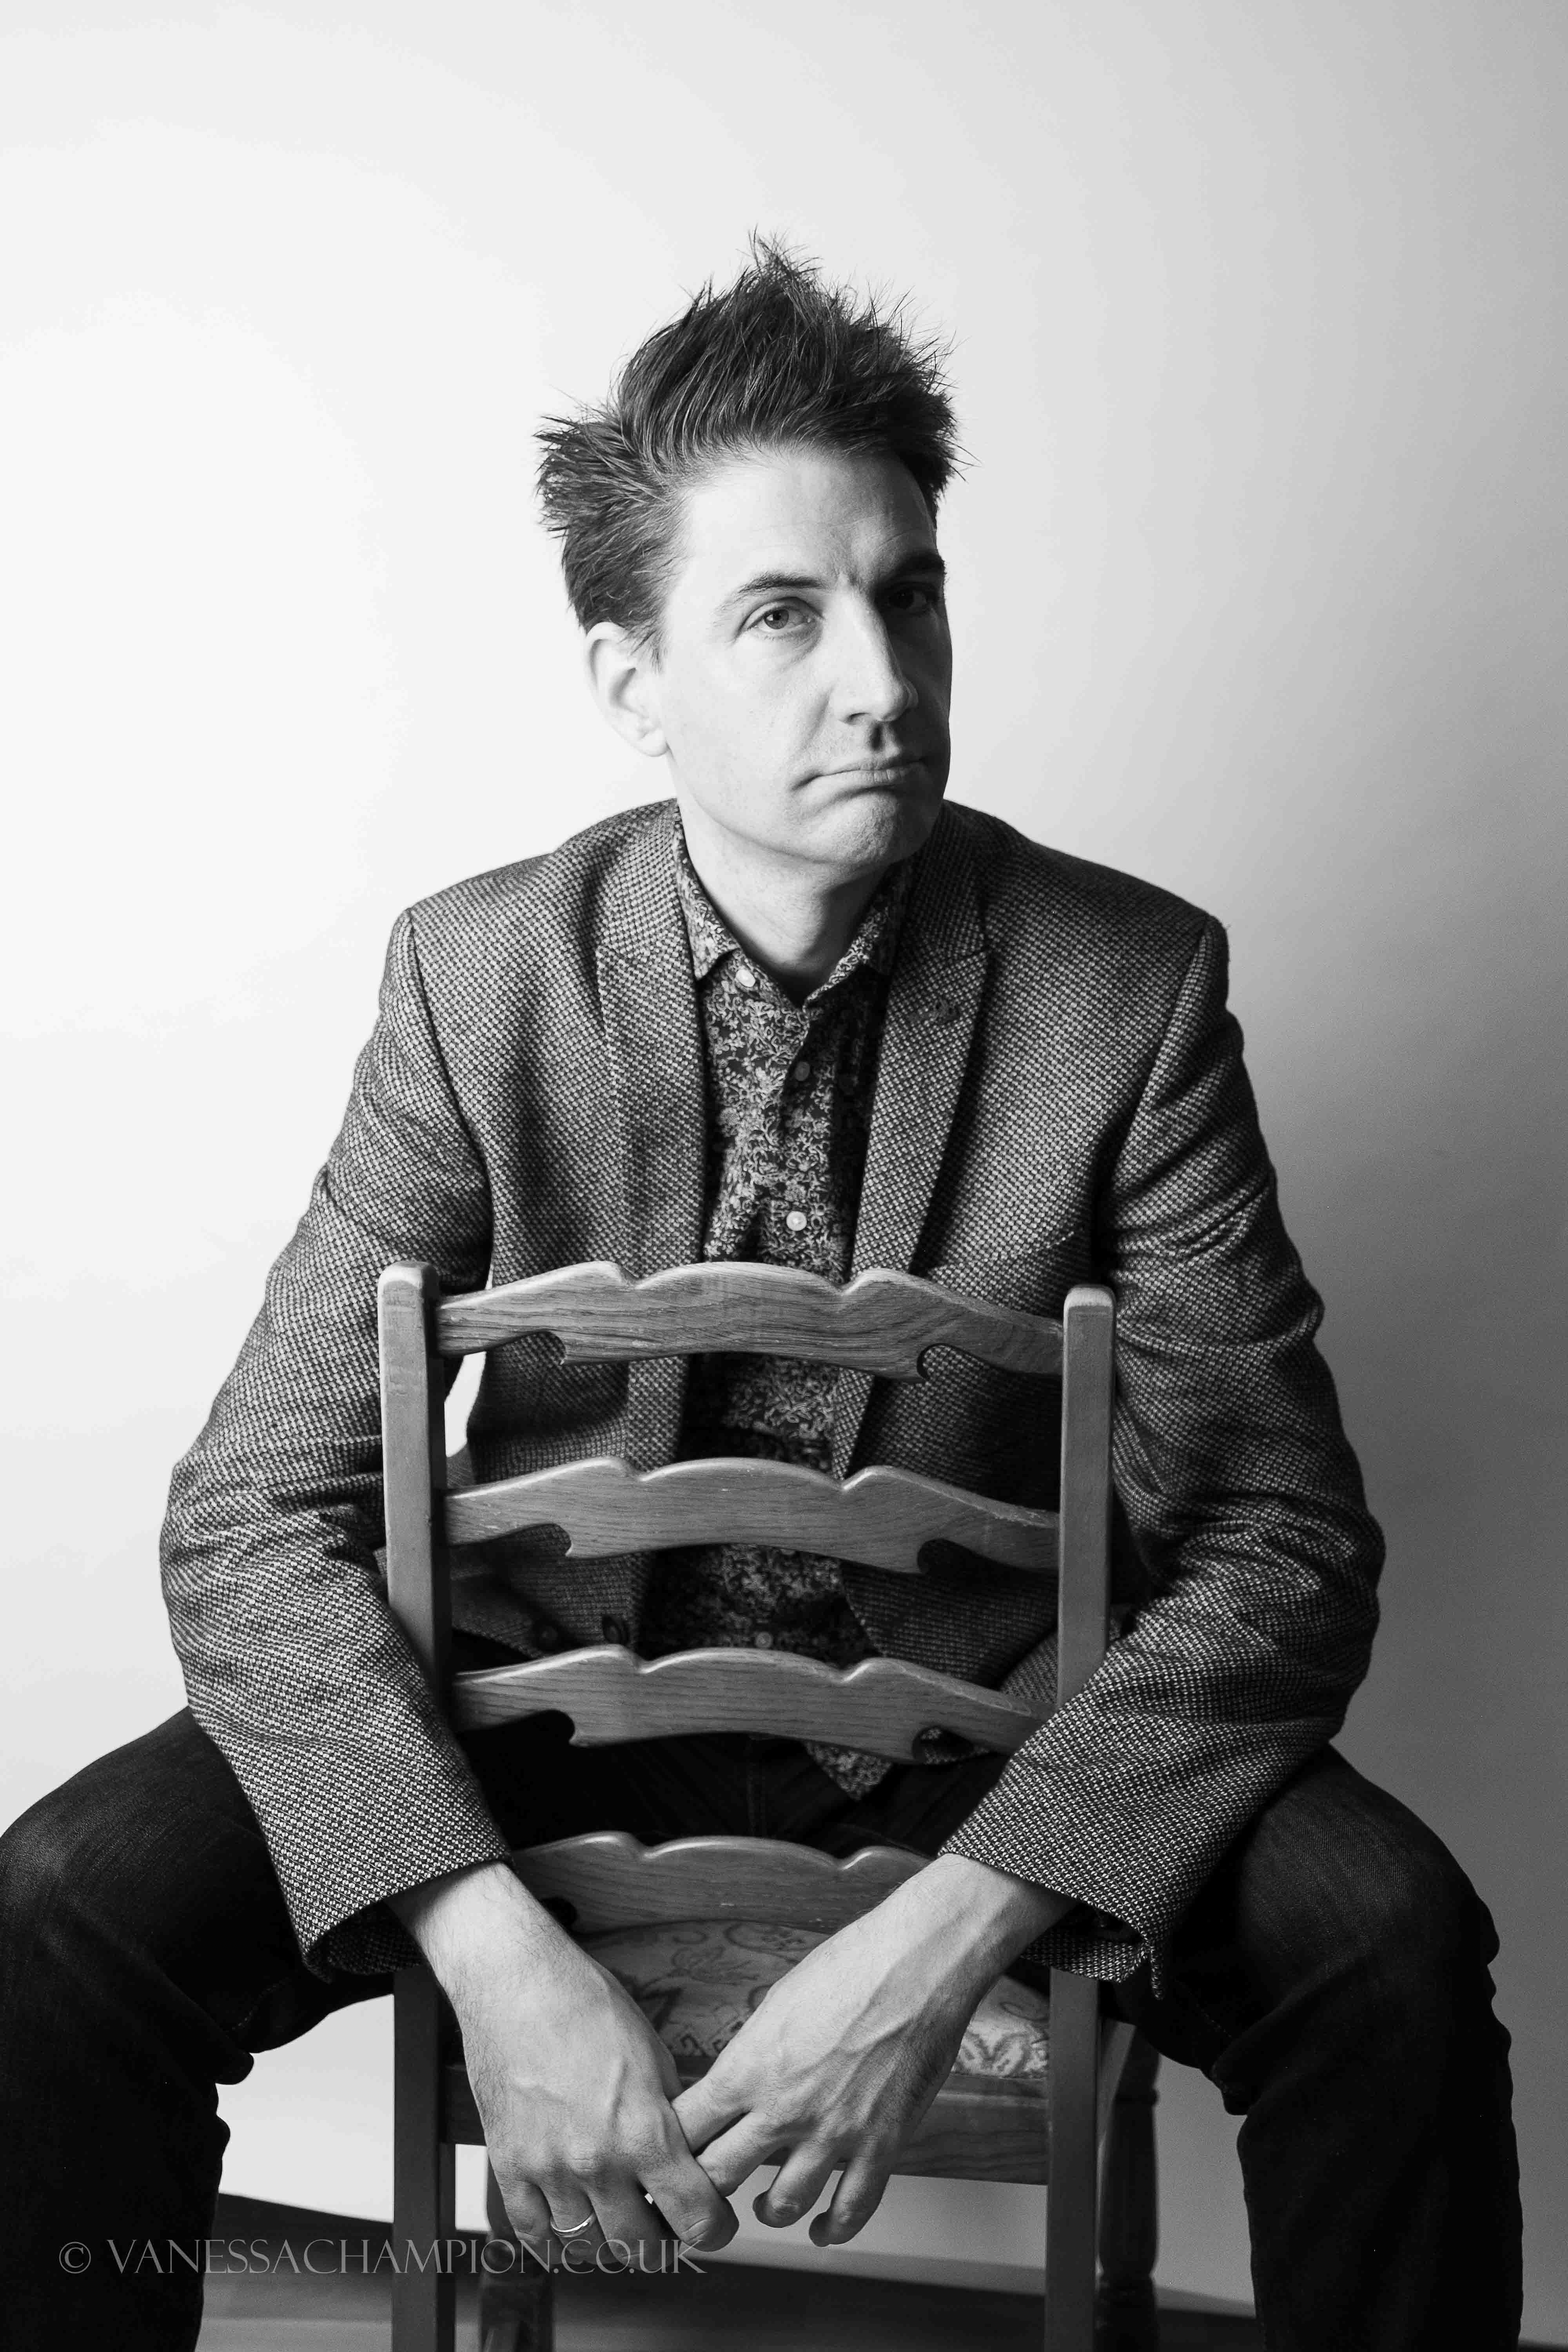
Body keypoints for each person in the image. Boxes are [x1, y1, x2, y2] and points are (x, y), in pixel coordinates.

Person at [0, 242, 1521, 2350]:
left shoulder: (1128, 989)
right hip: (544, 1718)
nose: (883, 680)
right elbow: (255, 1509)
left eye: (910, 593)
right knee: (62, 1912)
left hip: (975, 1736)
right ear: (634, 683)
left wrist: (947, 1935)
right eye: (784, 614)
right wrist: (492, 1952)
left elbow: (1282, 1541)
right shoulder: (480, 979)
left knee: (1391, 1947)